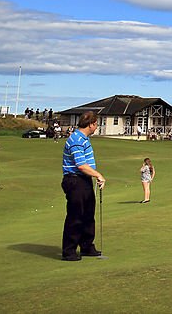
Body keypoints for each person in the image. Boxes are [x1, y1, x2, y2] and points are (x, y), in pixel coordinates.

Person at [61, 111, 106, 261]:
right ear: (91, 124)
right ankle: (69, 251)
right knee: (75, 216)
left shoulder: (83, 138)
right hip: (74, 180)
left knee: (88, 215)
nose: (96, 128)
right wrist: (98, 175)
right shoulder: (76, 139)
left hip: (84, 181)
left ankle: (86, 246)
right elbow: (80, 165)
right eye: (96, 125)